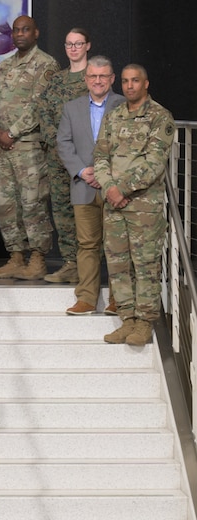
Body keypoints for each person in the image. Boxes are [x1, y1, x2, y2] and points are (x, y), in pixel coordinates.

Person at [95, 64, 175, 347]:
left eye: (135, 81)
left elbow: (154, 163)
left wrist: (123, 189)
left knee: (145, 266)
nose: (129, 86)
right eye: (126, 81)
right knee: (118, 266)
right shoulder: (114, 115)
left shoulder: (159, 117)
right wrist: (109, 188)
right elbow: (100, 157)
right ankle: (126, 320)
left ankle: (144, 322)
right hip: (114, 205)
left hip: (143, 206)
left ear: (146, 84)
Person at [0, 15, 60, 280]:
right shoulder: (4, 66)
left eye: (25, 29)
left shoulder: (46, 64)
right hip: (3, 148)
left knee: (32, 203)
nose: (20, 34)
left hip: (28, 147)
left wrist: (12, 133)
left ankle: (38, 259)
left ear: (36, 33)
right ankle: (16, 257)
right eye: (16, 30)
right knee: (6, 205)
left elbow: (39, 106)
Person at [56, 56, 123, 315]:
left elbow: (126, 146)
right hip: (83, 185)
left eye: (103, 76)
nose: (97, 80)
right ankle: (86, 299)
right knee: (86, 245)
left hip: (114, 188)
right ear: (86, 79)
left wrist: (106, 174)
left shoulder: (123, 105)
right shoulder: (71, 108)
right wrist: (83, 171)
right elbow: (64, 143)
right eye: (93, 76)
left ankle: (119, 299)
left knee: (116, 244)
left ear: (112, 78)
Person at [39, 28, 93, 284]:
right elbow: (45, 113)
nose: (73, 49)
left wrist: (75, 150)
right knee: (61, 210)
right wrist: (59, 144)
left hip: (84, 158)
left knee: (85, 210)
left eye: (78, 44)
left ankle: (87, 265)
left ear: (87, 46)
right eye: (69, 44)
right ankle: (70, 263)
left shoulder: (94, 77)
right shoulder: (57, 80)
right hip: (57, 155)